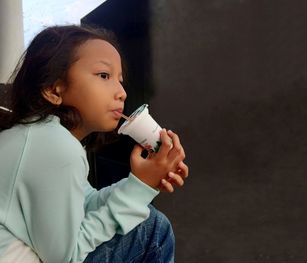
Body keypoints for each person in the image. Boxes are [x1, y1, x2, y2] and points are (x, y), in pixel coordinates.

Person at [0, 25, 188, 263]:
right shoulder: (54, 145)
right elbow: (66, 258)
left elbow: (86, 203)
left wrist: (142, 181)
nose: (122, 92)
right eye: (104, 75)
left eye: (120, 80)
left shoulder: (42, 136)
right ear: (52, 89)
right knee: (150, 229)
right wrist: (140, 187)